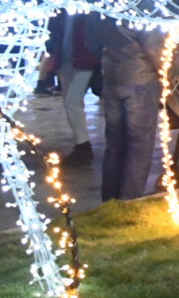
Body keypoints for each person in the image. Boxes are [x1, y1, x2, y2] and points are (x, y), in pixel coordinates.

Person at [93, 16, 170, 201]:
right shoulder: (142, 7)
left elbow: (92, 42)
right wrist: (169, 73)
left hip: (112, 79)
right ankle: (130, 202)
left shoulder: (100, 10)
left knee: (115, 146)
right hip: (141, 80)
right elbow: (155, 48)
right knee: (139, 148)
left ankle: (110, 202)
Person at [61, 11, 103, 163]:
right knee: (71, 101)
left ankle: (83, 146)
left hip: (86, 61)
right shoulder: (71, 10)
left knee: (72, 101)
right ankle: (82, 145)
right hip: (72, 59)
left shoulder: (87, 11)